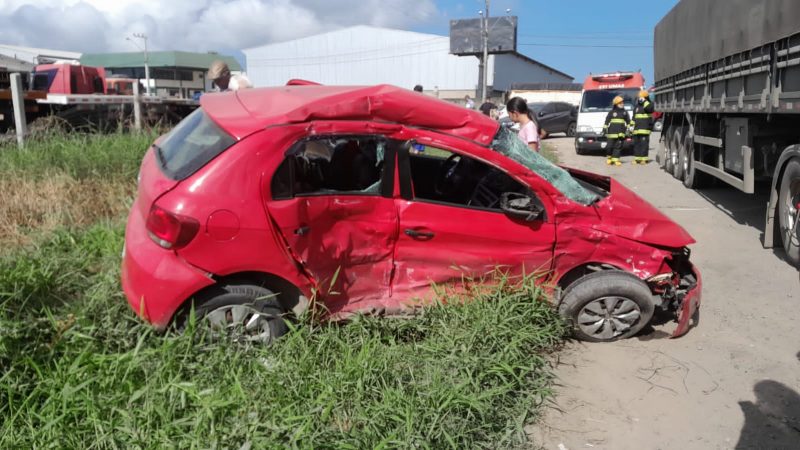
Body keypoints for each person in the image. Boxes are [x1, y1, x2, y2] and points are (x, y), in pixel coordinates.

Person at [603, 96, 630, 166]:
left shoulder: (625, 112)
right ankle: (609, 158)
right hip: (611, 133)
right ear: (616, 104)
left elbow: (628, 122)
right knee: (609, 146)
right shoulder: (612, 112)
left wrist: (628, 129)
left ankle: (616, 160)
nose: (622, 104)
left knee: (618, 147)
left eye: (622, 102)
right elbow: (607, 120)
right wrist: (604, 129)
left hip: (621, 133)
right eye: (620, 103)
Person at [631, 90, 655, 165]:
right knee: (637, 145)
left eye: (641, 97)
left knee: (644, 145)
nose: (639, 99)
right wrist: (631, 126)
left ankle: (644, 159)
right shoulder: (636, 107)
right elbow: (634, 117)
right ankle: (637, 159)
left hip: (645, 130)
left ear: (645, 98)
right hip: (636, 130)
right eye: (639, 97)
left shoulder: (648, 104)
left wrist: (645, 102)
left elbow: (649, 109)